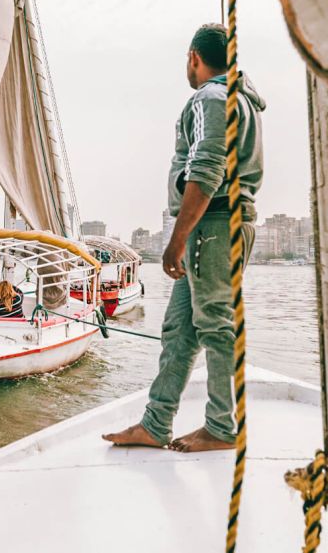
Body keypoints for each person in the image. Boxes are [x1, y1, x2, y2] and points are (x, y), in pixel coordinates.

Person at [103, 23, 264, 452]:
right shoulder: (239, 100)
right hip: (215, 226)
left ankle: (222, 427)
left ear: (194, 56)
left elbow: (207, 168)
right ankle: (156, 423)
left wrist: (176, 240)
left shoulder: (210, 97)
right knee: (180, 330)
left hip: (213, 226)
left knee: (214, 325)